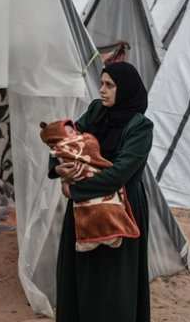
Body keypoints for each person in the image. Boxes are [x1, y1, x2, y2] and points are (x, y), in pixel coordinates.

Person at [49, 61, 153, 322]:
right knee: (81, 274)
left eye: (110, 85)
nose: (102, 90)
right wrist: (59, 170)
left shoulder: (140, 127)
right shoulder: (96, 111)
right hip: (84, 210)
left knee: (114, 282)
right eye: (101, 84)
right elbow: (65, 144)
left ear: (125, 89)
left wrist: (74, 189)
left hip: (121, 210)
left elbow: (119, 174)